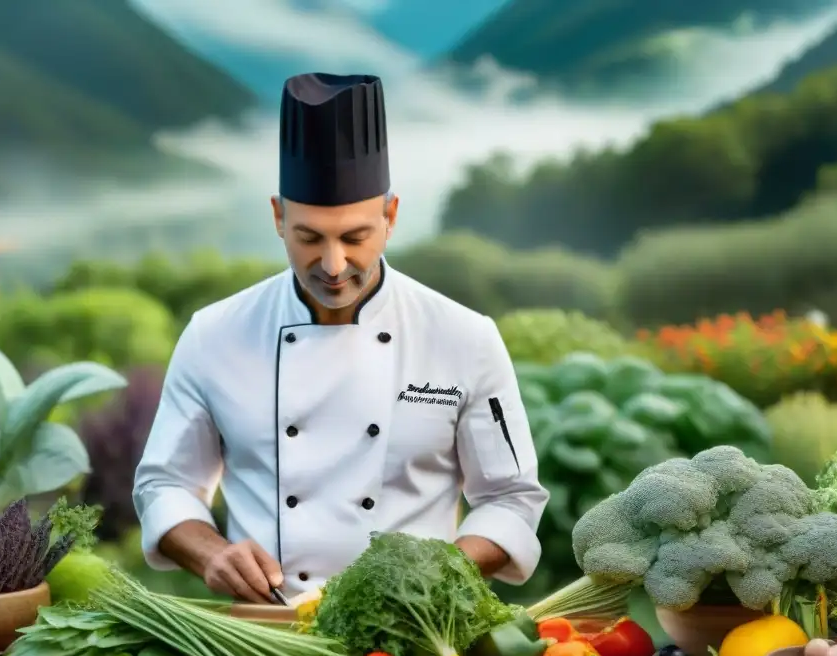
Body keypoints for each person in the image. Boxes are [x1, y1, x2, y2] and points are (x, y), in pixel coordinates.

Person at [133, 72, 549, 603]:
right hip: (269, 638)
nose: (333, 265)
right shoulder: (214, 334)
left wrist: (432, 580)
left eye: (355, 237)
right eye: (310, 238)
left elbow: (511, 499)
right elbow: (163, 485)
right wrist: (212, 554)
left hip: (416, 630)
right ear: (278, 218)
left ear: (390, 217)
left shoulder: (465, 337)